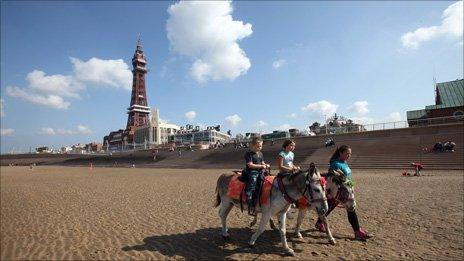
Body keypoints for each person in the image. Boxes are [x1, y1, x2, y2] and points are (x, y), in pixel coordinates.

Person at [315, 145, 373, 241]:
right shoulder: (335, 164)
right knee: (351, 209)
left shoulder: (344, 162)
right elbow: (331, 179)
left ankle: (319, 222)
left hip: (347, 189)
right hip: (340, 191)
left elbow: (347, 176)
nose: (349, 155)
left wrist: (351, 186)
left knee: (329, 207)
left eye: (350, 153)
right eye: (347, 153)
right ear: (340, 153)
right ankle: (358, 231)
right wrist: (330, 192)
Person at [244, 137, 270, 215]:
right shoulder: (248, 154)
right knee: (253, 179)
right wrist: (261, 166)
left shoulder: (260, 153)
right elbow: (250, 165)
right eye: (258, 146)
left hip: (260, 170)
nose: (260, 147)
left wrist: (265, 165)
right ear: (253, 145)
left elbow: (262, 162)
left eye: (261, 146)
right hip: (251, 171)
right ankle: (249, 195)